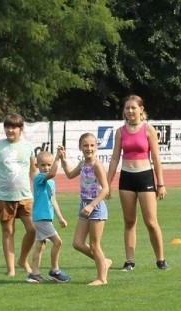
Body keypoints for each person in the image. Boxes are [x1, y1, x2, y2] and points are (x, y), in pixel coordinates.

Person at [106, 95, 168, 271]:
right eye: (127, 108)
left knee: (151, 222)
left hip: (145, 177)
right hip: (126, 178)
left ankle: (161, 260)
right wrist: (107, 184)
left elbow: (156, 158)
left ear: (141, 109)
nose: (130, 111)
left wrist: (160, 183)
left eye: (133, 108)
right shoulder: (120, 132)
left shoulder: (149, 130)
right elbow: (114, 159)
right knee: (129, 221)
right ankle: (129, 260)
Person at [0, 114, 37, 277]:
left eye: (14, 127)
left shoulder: (28, 147)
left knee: (33, 230)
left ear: (21, 129)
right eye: (7, 127)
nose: (10, 130)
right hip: (4, 197)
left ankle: (23, 259)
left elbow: (33, 170)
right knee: (8, 232)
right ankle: (11, 269)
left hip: (26, 196)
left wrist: (39, 190)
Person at [60, 134, 112, 285]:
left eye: (92, 145)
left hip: (96, 207)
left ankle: (102, 278)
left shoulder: (97, 164)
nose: (89, 148)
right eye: (85, 145)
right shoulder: (83, 164)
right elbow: (70, 175)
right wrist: (63, 160)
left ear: (96, 147)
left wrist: (92, 205)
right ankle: (104, 262)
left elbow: (106, 189)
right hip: (84, 206)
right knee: (77, 243)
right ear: (80, 147)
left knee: (95, 245)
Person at [27, 150, 70, 283]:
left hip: (45, 217)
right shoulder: (39, 178)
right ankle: (55, 270)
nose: (46, 168)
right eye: (43, 165)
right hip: (41, 217)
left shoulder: (51, 183)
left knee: (40, 245)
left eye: (48, 165)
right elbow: (52, 173)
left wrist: (60, 217)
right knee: (58, 242)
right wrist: (57, 158)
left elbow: (53, 200)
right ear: (37, 166)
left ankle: (34, 274)